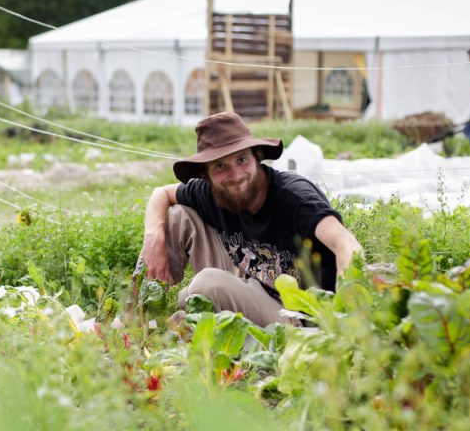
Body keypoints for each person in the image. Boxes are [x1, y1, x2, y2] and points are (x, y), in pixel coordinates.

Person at [139, 111, 364, 327]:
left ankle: (192, 313)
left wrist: (347, 305)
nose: (235, 176)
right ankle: (134, 321)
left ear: (257, 157)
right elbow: (162, 193)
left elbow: (347, 245)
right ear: (206, 174)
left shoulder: (294, 198)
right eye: (220, 166)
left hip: (296, 315)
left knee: (204, 285)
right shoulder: (210, 192)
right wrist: (153, 237)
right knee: (177, 216)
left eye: (241, 160)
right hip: (251, 283)